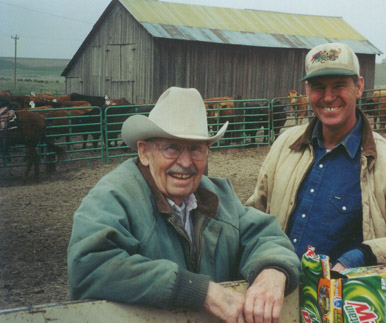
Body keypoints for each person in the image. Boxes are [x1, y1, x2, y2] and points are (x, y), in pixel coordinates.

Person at [67, 87, 300, 323]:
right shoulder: (113, 198)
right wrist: (198, 290)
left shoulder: (218, 196)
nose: (186, 162)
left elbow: (265, 235)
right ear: (145, 152)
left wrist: (272, 271)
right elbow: (89, 267)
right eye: (172, 147)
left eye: (196, 148)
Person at [246, 42, 386, 271]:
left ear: (359, 87)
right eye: (318, 87)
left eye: (339, 85)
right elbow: (254, 218)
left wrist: (360, 256)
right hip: (278, 293)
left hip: (344, 298)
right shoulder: (285, 145)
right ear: (307, 92)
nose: (328, 97)